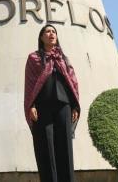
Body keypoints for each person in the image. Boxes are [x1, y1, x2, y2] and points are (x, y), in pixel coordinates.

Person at [24, 24, 80, 181]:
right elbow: (30, 84)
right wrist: (32, 105)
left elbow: (73, 83)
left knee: (65, 149)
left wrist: (75, 106)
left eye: (54, 32)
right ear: (41, 37)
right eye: (47, 32)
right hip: (42, 107)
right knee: (45, 149)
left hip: (64, 106)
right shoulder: (34, 58)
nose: (51, 34)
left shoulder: (63, 58)